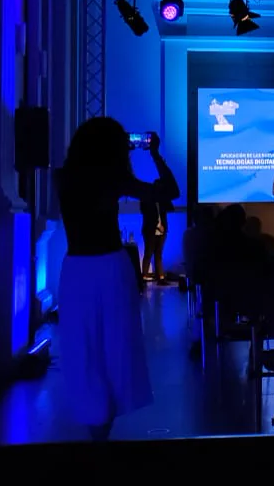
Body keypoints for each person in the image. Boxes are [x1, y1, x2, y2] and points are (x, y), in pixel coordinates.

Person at [54, 117, 159, 441]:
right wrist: (154, 154)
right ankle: (102, 429)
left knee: (84, 348)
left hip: (77, 269)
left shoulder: (66, 177)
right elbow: (168, 190)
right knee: (116, 345)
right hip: (111, 267)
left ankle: (95, 428)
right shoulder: (113, 178)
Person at [138, 133, 179, 283]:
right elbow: (144, 211)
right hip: (150, 229)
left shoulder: (162, 200)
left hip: (162, 228)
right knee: (148, 253)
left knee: (159, 254)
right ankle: (144, 276)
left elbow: (171, 199)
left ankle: (160, 277)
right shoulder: (147, 198)